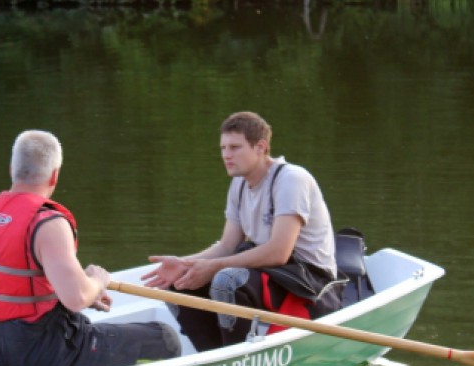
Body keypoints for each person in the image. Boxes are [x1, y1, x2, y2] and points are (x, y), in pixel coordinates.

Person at [0, 130, 180, 366]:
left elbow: (1, 283)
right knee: (165, 338)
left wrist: (86, 291)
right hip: (45, 353)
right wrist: (97, 281)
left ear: (12, 168)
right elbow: (76, 299)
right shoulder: (47, 222)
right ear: (54, 175)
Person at [143, 111, 343, 351]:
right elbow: (227, 245)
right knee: (179, 282)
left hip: (308, 279)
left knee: (227, 280)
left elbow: (279, 252)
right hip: (272, 271)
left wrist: (213, 267)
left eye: (235, 147)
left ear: (261, 147)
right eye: (223, 148)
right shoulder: (238, 183)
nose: (226, 155)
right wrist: (185, 263)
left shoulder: (291, 179)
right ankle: (211, 356)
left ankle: (234, 359)